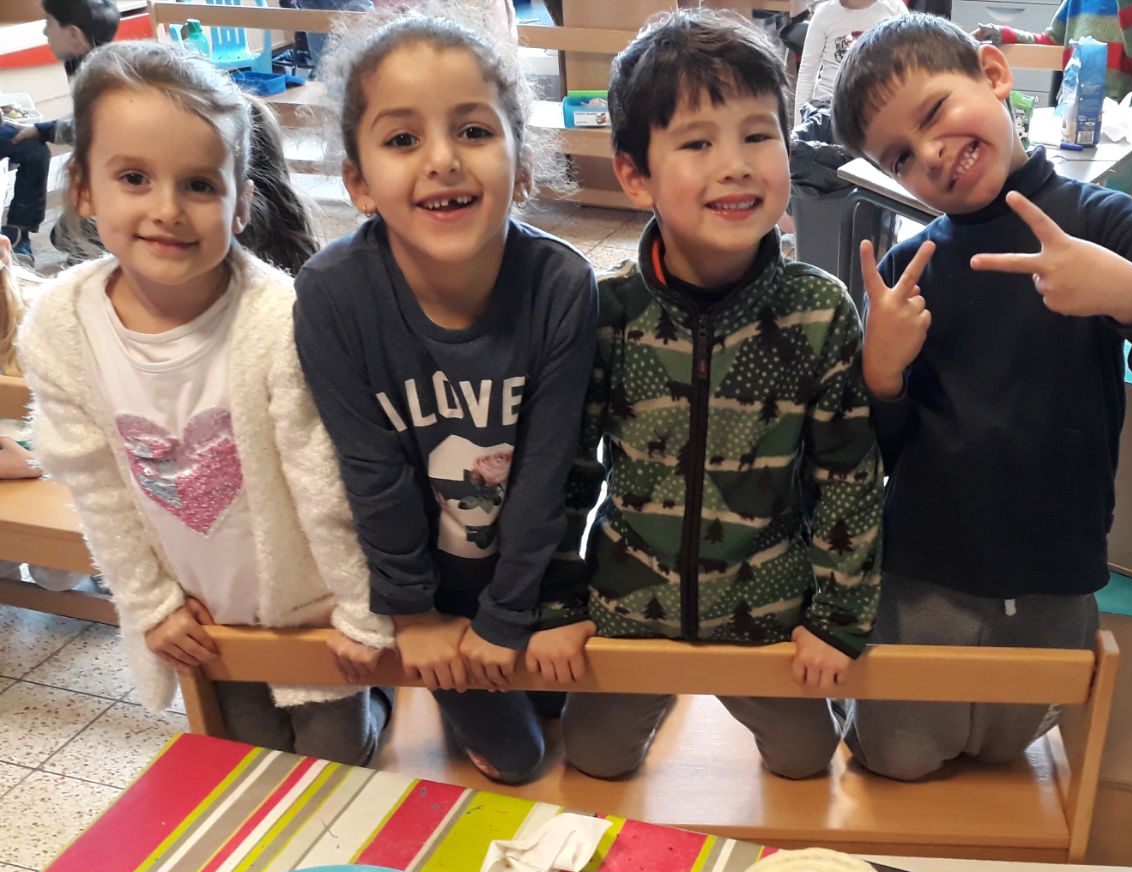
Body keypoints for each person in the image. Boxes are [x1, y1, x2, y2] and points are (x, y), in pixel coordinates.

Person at [829, 15, 1132, 780]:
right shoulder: (911, 270)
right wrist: (880, 374)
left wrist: (1131, 293)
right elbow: (872, 451)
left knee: (1008, 759)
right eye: (900, 156)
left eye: (935, 112)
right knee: (897, 760)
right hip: (925, 574)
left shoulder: (1107, 224)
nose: (931, 154)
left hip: (1056, 568)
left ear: (994, 74)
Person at [18, 41, 393, 763]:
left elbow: (325, 480)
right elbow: (97, 487)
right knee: (245, 754)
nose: (167, 210)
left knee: (336, 757)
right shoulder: (62, 326)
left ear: (240, 203)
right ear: (85, 189)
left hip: (311, 607)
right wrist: (150, 602)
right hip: (204, 616)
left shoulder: (280, 319)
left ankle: (379, 703)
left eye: (198, 185)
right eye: (133, 178)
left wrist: (362, 610)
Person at [544, 9, 883, 781]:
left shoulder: (820, 310)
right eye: (698, 143)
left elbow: (849, 478)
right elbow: (565, 469)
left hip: (769, 615)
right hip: (630, 610)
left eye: (758, 135)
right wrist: (555, 605)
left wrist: (838, 620)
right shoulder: (606, 309)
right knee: (593, 763)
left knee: (805, 764)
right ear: (635, 175)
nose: (736, 165)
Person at [295, 16, 597, 785]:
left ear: (522, 167)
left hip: (533, 572)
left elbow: (549, 474)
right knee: (520, 761)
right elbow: (372, 473)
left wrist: (508, 615)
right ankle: (403, 694)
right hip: (422, 587)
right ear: (359, 183)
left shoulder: (562, 284)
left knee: (566, 710)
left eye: (473, 130)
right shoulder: (332, 295)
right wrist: (416, 619)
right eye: (402, 139)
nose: (442, 160)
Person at [0, 0, 120, 260]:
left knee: (69, 237)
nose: (45, 31)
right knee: (65, 236)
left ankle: (99, 254)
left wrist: (42, 130)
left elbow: (89, 129)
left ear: (74, 34)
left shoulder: (102, 76)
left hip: (119, 176)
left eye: (49, 23)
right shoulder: (83, 61)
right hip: (104, 172)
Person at [973, 0, 1132, 108]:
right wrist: (1002, 34)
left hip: (1127, 109)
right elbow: (1051, 41)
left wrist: (1127, 4)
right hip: (1073, 103)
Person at [795, 0, 906, 113]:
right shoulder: (824, 13)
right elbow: (807, 73)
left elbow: (907, 64)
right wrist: (800, 120)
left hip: (876, 104)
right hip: (828, 105)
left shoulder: (894, 9)